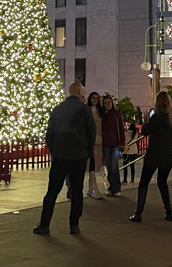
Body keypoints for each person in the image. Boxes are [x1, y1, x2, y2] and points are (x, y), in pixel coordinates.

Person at [35, 81, 96, 235]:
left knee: (52, 191)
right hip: (78, 156)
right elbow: (91, 133)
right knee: (77, 191)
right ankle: (74, 225)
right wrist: (87, 151)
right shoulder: (85, 110)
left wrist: (54, 150)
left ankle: (44, 224)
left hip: (60, 156)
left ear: (69, 92)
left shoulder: (58, 109)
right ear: (79, 92)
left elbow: (49, 134)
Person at [130, 91, 172, 223]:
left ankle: (138, 213)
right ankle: (169, 211)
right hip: (168, 153)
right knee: (162, 182)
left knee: (144, 182)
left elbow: (145, 131)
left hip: (155, 153)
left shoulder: (157, 117)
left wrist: (147, 121)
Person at [101, 95, 125, 196]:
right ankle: (111, 188)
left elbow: (121, 128)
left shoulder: (116, 114)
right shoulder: (102, 115)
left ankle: (117, 188)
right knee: (108, 166)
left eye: (109, 102)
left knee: (114, 166)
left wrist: (122, 143)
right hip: (105, 143)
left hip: (115, 143)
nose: (108, 104)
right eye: (105, 103)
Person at [85, 92, 105, 199]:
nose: (95, 100)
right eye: (93, 98)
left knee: (95, 164)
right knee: (91, 164)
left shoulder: (100, 112)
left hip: (98, 141)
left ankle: (91, 188)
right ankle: (94, 188)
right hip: (89, 141)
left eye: (97, 98)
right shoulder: (86, 110)